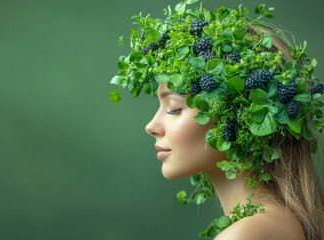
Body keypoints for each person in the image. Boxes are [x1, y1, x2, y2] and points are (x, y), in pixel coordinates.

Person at [110, 2, 324, 239]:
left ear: (238, 116)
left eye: (173, 109)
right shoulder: (276, 223)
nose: (151, 126)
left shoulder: (247, 234)